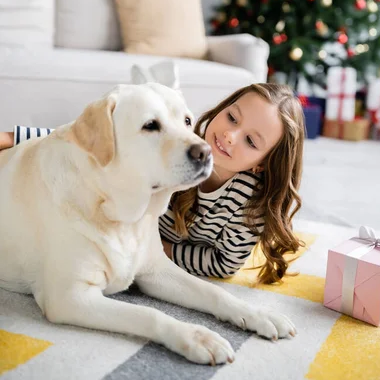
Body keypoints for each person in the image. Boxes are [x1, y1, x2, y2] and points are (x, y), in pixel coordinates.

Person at [0, 83, 305, 284]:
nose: (230, 135)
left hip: (155, 248)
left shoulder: (251, 207)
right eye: (232, 118)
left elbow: (224, 264)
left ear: (261, 163)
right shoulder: (183, 144)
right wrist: (13, 138)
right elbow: (87, 136)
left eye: (250, 140)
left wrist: (161, 251)